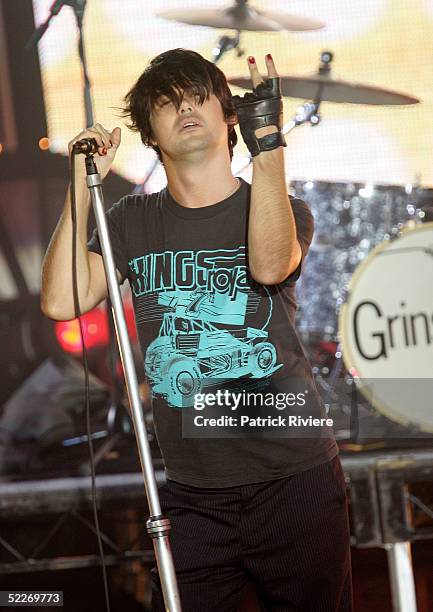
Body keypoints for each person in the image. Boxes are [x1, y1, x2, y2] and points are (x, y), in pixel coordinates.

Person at [41, 48, 353, 612]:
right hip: (193, 495)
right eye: (166, 102)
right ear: (149, 133)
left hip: (295, 479)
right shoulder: (131, 221)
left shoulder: (283, 208)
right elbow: (62, 300)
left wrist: (270, 145)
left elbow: (268, 265)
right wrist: (79, 184)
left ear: (229, 115)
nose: (184, 107)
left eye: (198, 96)